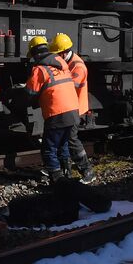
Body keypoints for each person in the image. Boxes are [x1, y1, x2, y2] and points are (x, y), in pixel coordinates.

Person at [25, 35, 78, 183]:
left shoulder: (39, 70)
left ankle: (57, 179)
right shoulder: (62, 65)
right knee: (63, 144)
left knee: (49, 148)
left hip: (57, 113)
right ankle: (67, 174)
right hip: (73, 111)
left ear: (35, 54)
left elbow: (30, 93)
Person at [50, 32, 96, 182]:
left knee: (71, 139)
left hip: (76, 108)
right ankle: (66, 171)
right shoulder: (67, 62)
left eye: (57, 54)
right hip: (69, 107)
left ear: (63, 53)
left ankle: (87, 171)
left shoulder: (78, 66)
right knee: (64, 139)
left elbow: (69, 86)